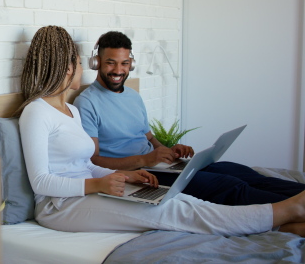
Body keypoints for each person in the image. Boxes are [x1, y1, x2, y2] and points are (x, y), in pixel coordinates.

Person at [17, 25, 305, 236]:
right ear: (66, 68)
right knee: (169, 211)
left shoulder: (71, 110)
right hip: (61, 207)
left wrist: (124, 177)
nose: (83, 69)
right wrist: (99, 184)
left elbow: (83, 165)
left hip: (89, 190)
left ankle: (282, 225)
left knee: (177, 200)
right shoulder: (35, 112)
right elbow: (41, 182)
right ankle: (284, 211)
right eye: (80, 63)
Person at [73, 31, 305, 206]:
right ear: (97, 63)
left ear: (131, 63)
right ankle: (294, 209)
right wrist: (147, 159)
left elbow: (149, 137)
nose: (118, 70)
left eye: (124, 63)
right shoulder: (88, 102)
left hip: (161, 165)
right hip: (143, 174)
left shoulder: (133, 96)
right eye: (111, 62)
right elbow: (94, 160)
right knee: (230, 186)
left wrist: (169, 151)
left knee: (238, 171)